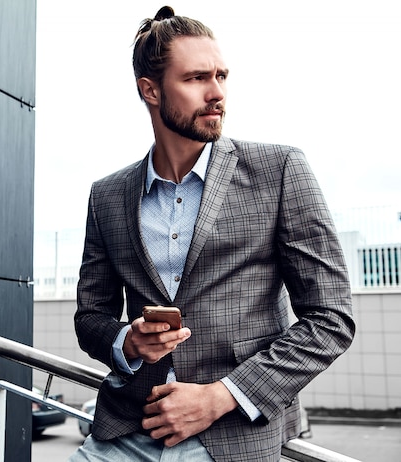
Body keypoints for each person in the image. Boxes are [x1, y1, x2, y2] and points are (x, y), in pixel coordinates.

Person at [69, 6, 355, 462]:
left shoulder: (280, 171)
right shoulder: (106, 196)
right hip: (125, 431)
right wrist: (127, 341)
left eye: (221, 76)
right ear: (151, 91)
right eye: (196, 78)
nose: (217, 93)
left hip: (231, 437)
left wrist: (220, 396)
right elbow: (90, 318)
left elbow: (332, 319)